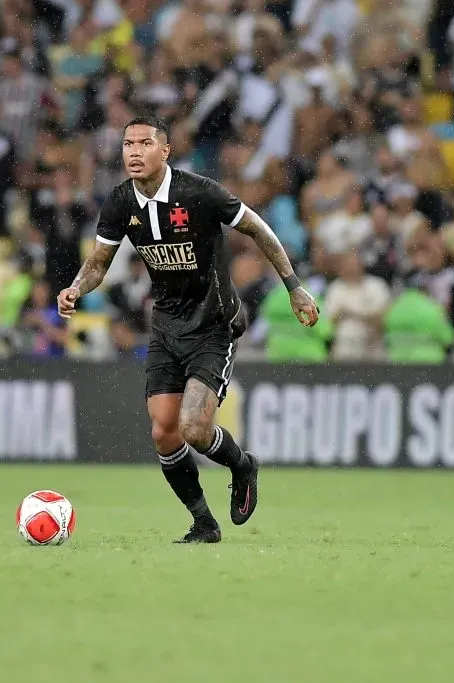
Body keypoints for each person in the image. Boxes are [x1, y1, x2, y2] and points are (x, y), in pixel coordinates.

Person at [57, 116, 320, 544]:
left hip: (214, 325)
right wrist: (75, 287)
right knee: (163, 432)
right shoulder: (120, 202)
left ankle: (242, 465)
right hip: (166, 328)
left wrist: (294, 287)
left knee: (194, 429)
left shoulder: (199, 192)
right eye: (128, 144)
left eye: (145, 143)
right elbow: (99, 263)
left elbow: (258, 229)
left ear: (165, 151)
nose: (134, 152)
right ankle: (204, 523)